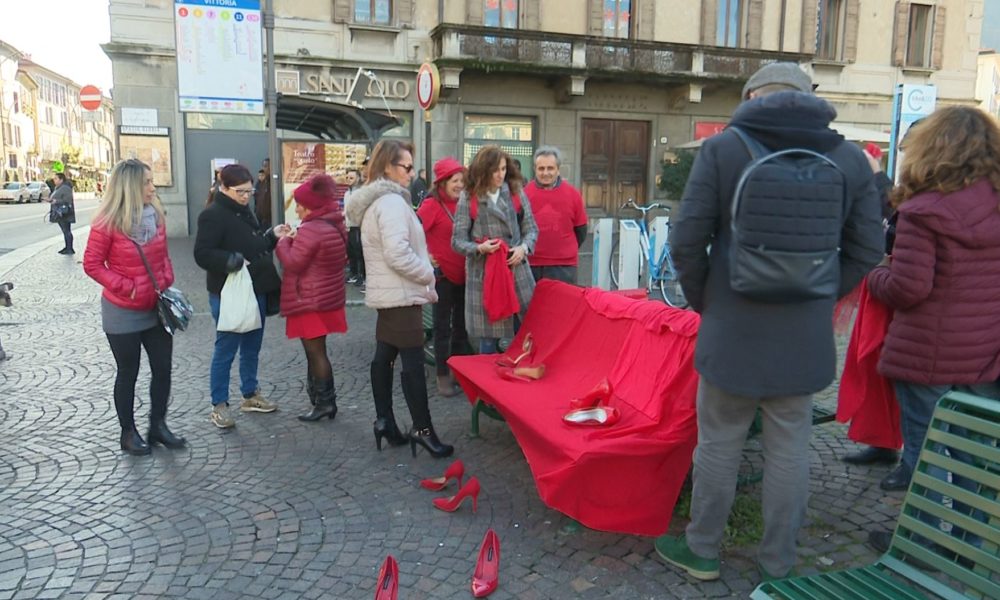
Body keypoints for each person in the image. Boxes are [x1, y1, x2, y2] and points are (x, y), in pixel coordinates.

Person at [657, 63, 883, 582]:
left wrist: (707, 299)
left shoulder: (723, 149)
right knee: (791, 450)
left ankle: (703, 551)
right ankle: (779, 563)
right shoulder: (850, 159)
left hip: (731, 326)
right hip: (803, 336)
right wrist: (821, 292)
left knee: (718, 442)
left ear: (753, 96)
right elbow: (869, 249)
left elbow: (686, 241)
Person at [863, 106, 1000, 552]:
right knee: (973, 455)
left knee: (925, 453)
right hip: (985, 352)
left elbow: (908, 288)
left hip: (928, 355)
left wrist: (875, 274)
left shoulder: (924, 211)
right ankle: (966, 542)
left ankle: (919, 543)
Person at [345, 140, 453, 458]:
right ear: (387, 168)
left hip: (389, 293)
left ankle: (384, 422)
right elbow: (397, 253)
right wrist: (427, 272)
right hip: (401, 295)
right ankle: (423, 430)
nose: (410, 173)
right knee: (413, 364)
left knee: (385, 356)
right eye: (406, 167)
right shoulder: (390, 202)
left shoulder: (378, 201)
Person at [82, 159, 185, 456]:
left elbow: (163, 256)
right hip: (122, 310)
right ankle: (128, 433)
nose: (153, 188)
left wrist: (166, 279)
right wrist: (126, 286)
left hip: (156, 306)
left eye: (153, 181)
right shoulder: (107, 222)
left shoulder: (157, 215)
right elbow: (91, 264)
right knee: (128, 371)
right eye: (146, 183)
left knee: (163, 369)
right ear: (129, 187)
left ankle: (158, 426)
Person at [194, 163, 292, 429]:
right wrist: (231, 260)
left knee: (252, 346)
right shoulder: (212, 215)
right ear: (223, 188)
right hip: (229, 291)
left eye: (249, 191)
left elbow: (254, 244)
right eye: (240, 192)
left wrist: (272, 235)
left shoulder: (244, 210)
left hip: (255, 287)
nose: (246, 196)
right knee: (225, 348)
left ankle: (250, 394)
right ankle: (219, 404)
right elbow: (202, 254)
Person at [276, 174, 349, 422]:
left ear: (310, 205)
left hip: (308, 299)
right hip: (327, 297)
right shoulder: (334, 224)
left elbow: (294, 263)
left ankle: (325, 402)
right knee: (319, 350)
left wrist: (283, 242)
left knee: (315, 353)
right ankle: (319, 399)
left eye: (298, 204)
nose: (296, 208)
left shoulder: (310, 229)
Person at [451, 145, 538, 354]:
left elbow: (532, 229)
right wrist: (479, 247)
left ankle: (520, 380)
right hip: (485, 276)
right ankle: (485, 384)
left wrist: (523, 248)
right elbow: (457, 241)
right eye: (495, 170)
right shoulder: (468, 197)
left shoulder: (516, 192)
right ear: (483, 170)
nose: (501, 175)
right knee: (488, 340)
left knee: (526, 332)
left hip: (517, 271)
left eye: (503, 168)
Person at [417, 157, 470, 397]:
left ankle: (458, 370)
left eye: (461, 180)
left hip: (465, 273)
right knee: (442, 327)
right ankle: (442, 374)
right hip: (442, 276)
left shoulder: (466, 203)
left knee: (461, 326)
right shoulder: (431, 205)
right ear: (442, 183)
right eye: (454, 181)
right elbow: (413, 234)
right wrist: (426, 255)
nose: (459, 185)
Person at [523, 146, 588, 285]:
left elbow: (581, 230)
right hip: (530, 265)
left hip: (564, 267)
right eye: (541, 168)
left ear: (558, 170)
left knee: (563, 306)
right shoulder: (524, 194)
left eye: (550, 168)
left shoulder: (573, 195)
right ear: (535, 169)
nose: (546, 173)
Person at [344, 168, 366, 287]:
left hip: (358, 226)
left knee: (360, 252)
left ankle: (362, 276)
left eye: (351, 178)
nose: (348, 180)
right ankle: (354, 273)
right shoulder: (347, 193)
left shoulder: (361, 192)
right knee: (351, 251)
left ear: (358, 178)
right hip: (350, 226)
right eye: (347, 177)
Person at [50, 172, 76, 255]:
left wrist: (56, 201)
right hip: (60, 212)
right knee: (65, 231)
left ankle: (69, 248)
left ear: (61, 179)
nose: (54, 180)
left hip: (65, 212)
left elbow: (67, 200)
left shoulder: (65, 188)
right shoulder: (58, 187)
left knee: (67, 230)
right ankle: (67, 247)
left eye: (56, 178)